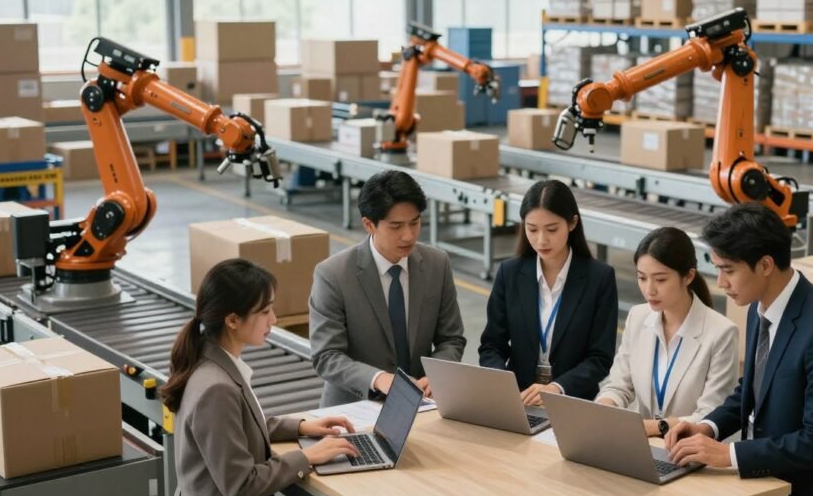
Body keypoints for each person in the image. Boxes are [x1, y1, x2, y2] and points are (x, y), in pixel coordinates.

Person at [665, 203, 813, 496]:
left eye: (728, 271)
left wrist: (730, 455)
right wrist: (707, 427)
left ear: (765, 265)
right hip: (769, 484)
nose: (721, 283)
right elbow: (753, 391)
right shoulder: (757, 308)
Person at [161, 258, 358, 496]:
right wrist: (307, 457)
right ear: (232, 320)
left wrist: (299, 427)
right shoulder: (216, 389)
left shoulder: (206, 359)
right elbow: (241, 485)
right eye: (265, 311)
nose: (273, 320)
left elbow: (235, 428)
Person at [310, 170, 466, 406]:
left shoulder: (437, 264)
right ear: (369, 224)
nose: (408, 235)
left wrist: (436, 376)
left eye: (415, 223)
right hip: (354, 407)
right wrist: (379, 379)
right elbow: (327, 356)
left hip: (422, 403)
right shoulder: (333, 274)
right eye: (396, 226)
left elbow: (451, 338)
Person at [479, 179, 617, 405]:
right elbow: (492, 345)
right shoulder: (509, 273)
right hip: (519, 399)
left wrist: (558, 387)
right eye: (532, 229)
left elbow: (600, 358)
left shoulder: (599, 278)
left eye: (552, 229)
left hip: (572, 401)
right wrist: (503, 384)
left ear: (572, 223)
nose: (541, 240)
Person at [595, 227, 738, 438]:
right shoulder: (638, 317)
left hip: (687, 450)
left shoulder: (721, 332)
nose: (649, 290)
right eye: (642, 278)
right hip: (640, 446)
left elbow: (711, 413)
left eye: (660, 280)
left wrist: (655, 427)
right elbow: (618, 385)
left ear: (688, 276)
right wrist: (604, 407)